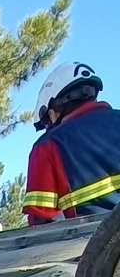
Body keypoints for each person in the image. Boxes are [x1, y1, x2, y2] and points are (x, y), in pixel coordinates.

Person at [23, 62, 120, 225]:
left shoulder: (47, 145)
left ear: (53, 111)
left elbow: (40, 222)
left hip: (93, 239)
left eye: (48, 120)